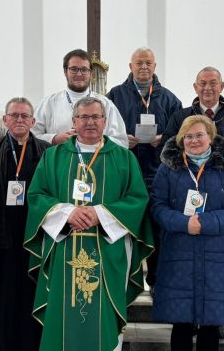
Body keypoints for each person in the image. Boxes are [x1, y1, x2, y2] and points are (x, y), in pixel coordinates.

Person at [24, 97, 154, 351]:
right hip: (63, 247)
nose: (90, 122)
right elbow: (37, 196)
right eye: (83, 117)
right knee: (63, 313)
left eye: (96, 117)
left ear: (105, 122)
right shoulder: (53, 156)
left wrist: (100, 214)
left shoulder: (124, 158)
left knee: (105, 314)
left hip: (109, 250)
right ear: (73, 122)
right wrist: (67, 213)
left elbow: (138, 199)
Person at [150, 115, 224, 351]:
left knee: (210, 324)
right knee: (181, 322)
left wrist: (206, 222)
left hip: (215, 252)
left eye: (199, 135)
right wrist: (185, 224)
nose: (194, 140)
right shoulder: (168, 169)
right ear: (181, 139)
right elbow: (157, 206)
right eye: (189, 136)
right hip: (178, 251)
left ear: (211, 137)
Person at [106, 46, 182, 289]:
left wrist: (165, 138)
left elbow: (181, 137)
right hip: (123, 174)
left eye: (148, 62)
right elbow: (103, 130)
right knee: (124, 227)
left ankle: (158, 282)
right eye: (139, 63)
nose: (144, 67)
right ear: (130, 66)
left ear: (155, 66)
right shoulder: (114, 96)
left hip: (158, 174)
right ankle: (122, 283)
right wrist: (121, 139)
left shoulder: (170, 99)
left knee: (159, 230)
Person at [0, 97, 50, 351]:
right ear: (5, 120)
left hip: (34, 235)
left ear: (33, 121)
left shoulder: (46, 152)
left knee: (29, 292)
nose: (19, 120)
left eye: (24, 116)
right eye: (14, 115)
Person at [31, 49, 129, 148]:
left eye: (84, 69)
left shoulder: (106, 104)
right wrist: (54, 139)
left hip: (98, 161)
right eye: (74, 69)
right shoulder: (48, 103)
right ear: (65, 71)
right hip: (61, 161)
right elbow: (31, 136)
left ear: (90, 73)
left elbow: (122, 141)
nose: (79, 74)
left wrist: (96, 140)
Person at [162, 66, 224, 164]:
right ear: (195, 87)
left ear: (222, 86)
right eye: (202, 83)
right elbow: (166, 152)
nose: (207, 88)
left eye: (213, 83)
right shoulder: (179, 118)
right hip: (189, 176)